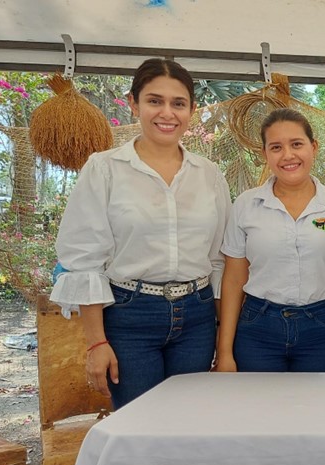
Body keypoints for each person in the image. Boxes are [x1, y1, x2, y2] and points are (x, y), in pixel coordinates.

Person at [50, 58, 231, 409]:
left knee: (190, 422)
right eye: (154, 101)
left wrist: (223, 335)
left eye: (178, 103)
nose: (167, 113)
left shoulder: (208, 174)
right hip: (130, 316)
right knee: (138, 426)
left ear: (192, 110)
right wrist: (96, 343)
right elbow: (85, 260)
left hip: (197, 317)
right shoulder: (104, 169)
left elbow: (218, 259)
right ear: (133, 103)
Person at [214, 108, 325, 373]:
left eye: (297, 144)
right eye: (276, 147)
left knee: (317, 411)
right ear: (265, 154)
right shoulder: (246, 205)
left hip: (321, 331)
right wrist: (225, 352)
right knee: (260, 410)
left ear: (313, 147)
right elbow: (233, 280)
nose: (288, 155)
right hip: (258, 330)